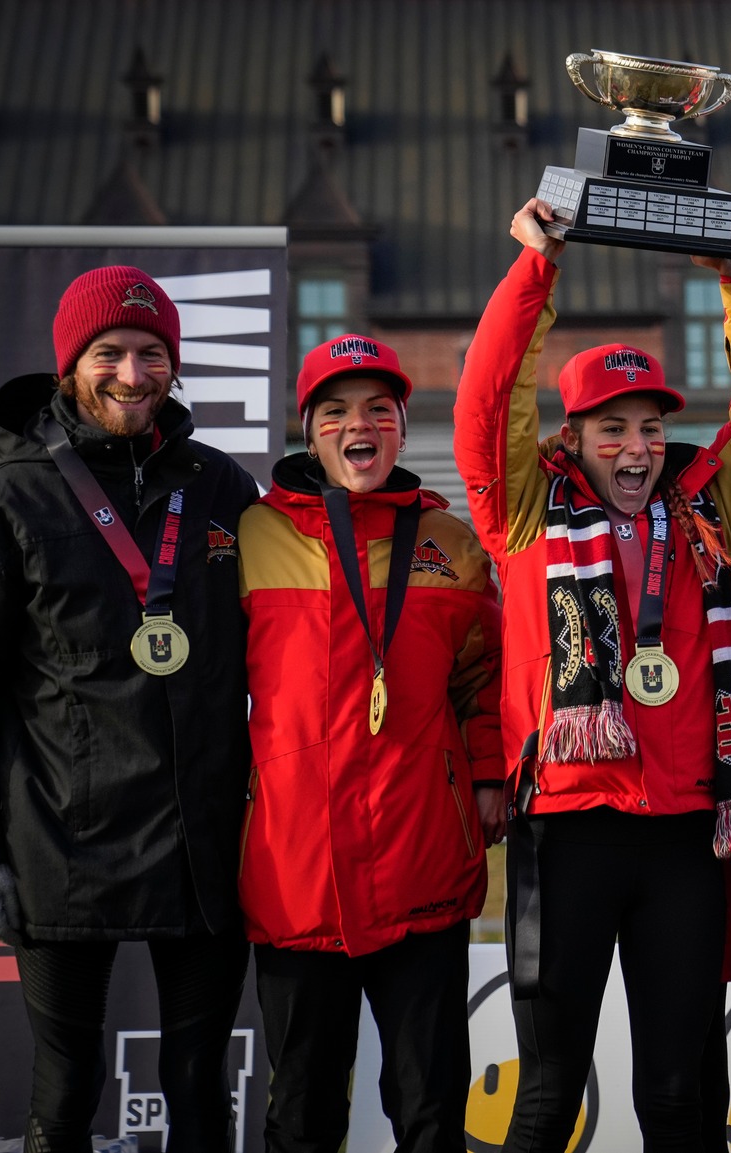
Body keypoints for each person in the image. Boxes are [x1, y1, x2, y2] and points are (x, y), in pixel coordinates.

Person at [454, 199, 731, 1153]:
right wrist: (536, 268)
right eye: (611, 430)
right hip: (566, 831)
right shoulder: (523, 514)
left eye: (650, 428)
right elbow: (487, 406)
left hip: (684, 836)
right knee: (548, 1095)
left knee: (678, 1094)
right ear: (572, 440)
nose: (638, 449)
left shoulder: (702, 514)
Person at [0, 267, 256, 1151]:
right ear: (70, 366)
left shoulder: (222, 490)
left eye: (152, 353)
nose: (133, 373)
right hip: (58, 842)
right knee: (65, 1089)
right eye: (110, 353)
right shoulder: (9, 500)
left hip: (203, 843)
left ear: (175, 366)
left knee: (201, 1085)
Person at [238, 335, 503, 1152]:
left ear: (400, 429)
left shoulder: (451, 544)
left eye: (379, 411)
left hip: (421, 861)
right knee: (302, 1111)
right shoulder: (250, 535)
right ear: (308, 430)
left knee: (430, 1111)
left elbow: (482, 680)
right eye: (337, 411)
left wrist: (490, 775)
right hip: (297, 875)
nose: (361, 425)